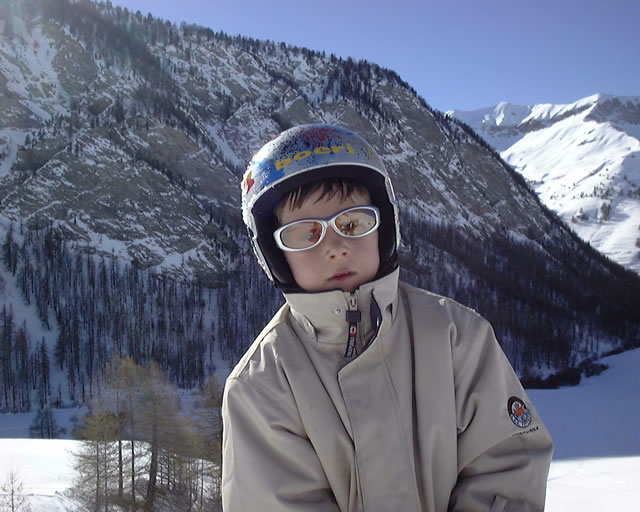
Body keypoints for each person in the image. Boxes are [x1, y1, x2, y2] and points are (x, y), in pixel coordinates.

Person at [222, 124, 553, 511]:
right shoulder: (262, 386)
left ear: (384, 229)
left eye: (352, 224)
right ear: (276, 255)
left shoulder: (456, 336)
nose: (335, 247)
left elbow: (507, 466)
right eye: (305, 234)